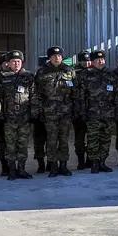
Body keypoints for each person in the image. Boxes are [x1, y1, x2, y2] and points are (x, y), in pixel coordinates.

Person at [32, 46, 75, 177]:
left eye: (59, 56)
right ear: (49, 58)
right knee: (51, 140)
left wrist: (75, 109)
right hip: (49, 112)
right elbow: (36, 93)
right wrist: (38, 111)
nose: (57, 58)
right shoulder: (42, 72)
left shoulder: (69, 71)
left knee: (64, 140)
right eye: (54, 56)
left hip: (65, 112)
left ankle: (63, 165)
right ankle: (53, 166)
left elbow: (76, 92)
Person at [76, 49, 117, 174]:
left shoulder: (111, 74)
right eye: (98, 59)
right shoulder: (85, 75)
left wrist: (117, 110)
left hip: (108, 113)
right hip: (92, 113)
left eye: (102, 59)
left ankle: (102, 162)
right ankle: (94, 163)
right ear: (93, 61)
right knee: (93, 139)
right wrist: (82, 112)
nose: (101, 61)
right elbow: (81, 96)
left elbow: (117, 94)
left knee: (106, 139)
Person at [0, 50, 34, 181]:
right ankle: (11, 170)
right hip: (9, 117)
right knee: (10, 145)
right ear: (8, 63)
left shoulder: (28, 76)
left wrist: (33, 113)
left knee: (23, 144)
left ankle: (21, 169)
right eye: (13, 61)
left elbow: (34, 95)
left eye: (18, 61)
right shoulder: (2, 77)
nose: (16, 64)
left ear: (22, 62)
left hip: (24, 117)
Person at [72, 50, 92, 170]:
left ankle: (90, 159)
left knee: (92, 137)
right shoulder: (72, 73)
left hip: (91, 111)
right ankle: (80, 161)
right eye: (84, 61)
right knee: (79, 138)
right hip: (78, 111)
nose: (86, 63)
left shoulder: (93, 72)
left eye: (88, 60)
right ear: (79, 61)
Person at [32, 56, 48, 174]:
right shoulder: (35, 78)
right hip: (39, 115)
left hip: (51, 115)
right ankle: (41, 164)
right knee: (39, 141)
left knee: (51, 140)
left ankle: (51, 163)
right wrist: (35, 113)